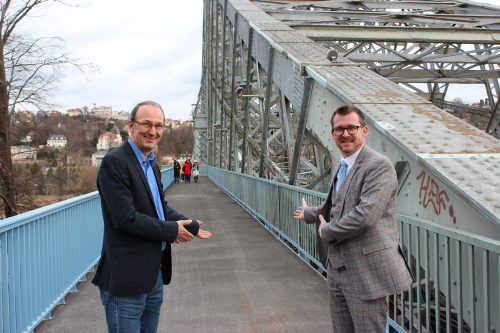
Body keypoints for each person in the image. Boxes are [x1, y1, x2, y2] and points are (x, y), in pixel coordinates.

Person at [92, 101, 212, 333]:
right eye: (146, 124)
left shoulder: (151, 165)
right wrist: (171, 231)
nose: (153, 131)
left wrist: (190, 225)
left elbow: (160, 209)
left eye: (159, 126)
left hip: (153, 274)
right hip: (127, 278)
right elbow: (125, 218)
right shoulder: (115, 162)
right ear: (131, 125)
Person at [293, 105, 412, 332]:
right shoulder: (342, 165)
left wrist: (325, 231)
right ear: (332, 134)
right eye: (339, 129)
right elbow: (337, 207)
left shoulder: (378, 165)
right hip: (337, 269)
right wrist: (310, 214)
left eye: (351, 128)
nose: (345, 134)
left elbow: (364, 217)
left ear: (364, 130)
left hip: (365, 273)